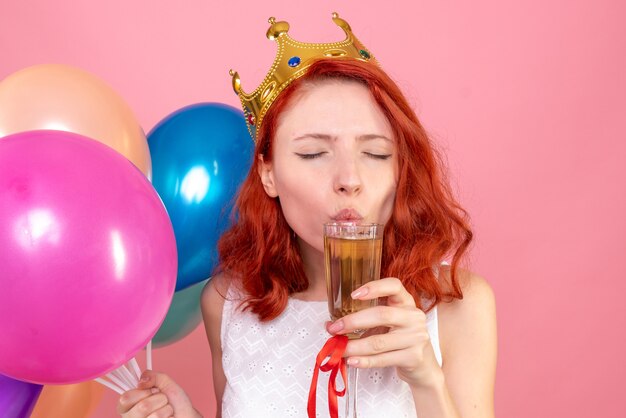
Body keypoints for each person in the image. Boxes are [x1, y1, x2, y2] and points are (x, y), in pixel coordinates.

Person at [117, 13, 496, 418]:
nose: (350, 179)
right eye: (314, 153)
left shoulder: (457, 302)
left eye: (376, 154)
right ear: (268, 174)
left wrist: (426, 378)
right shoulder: (228, 302)